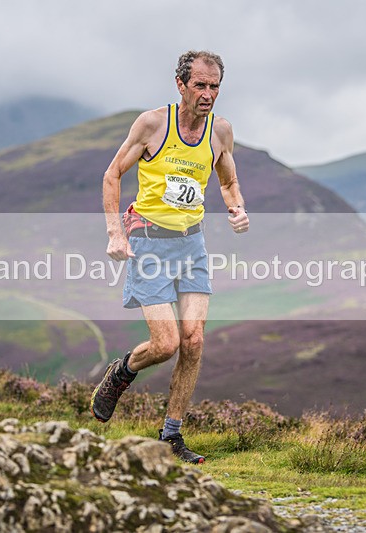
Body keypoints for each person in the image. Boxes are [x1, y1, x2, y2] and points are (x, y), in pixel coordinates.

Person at [90, 50, 249, 464]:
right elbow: (112, 175)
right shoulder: (152, 125)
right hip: (149, 241)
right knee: (165, 344)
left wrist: (236, 207)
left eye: (215, 87)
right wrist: (114, 232)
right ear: (180, 84)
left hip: (192, 244)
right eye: (200, 85)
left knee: (193, 341)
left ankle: (171, 436)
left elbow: (228, 181)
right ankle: (121, 372)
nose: (208, 94)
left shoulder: (220, 132)